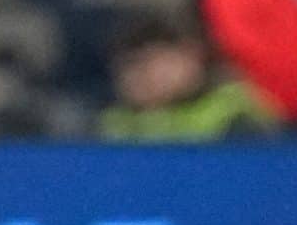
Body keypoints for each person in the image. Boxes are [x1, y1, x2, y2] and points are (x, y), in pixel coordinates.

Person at [99, 13, 273, 141]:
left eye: (153, 61)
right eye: (129, 66)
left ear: (191, 56)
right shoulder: (115, 125)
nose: (142, 76)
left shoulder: (233, 114)